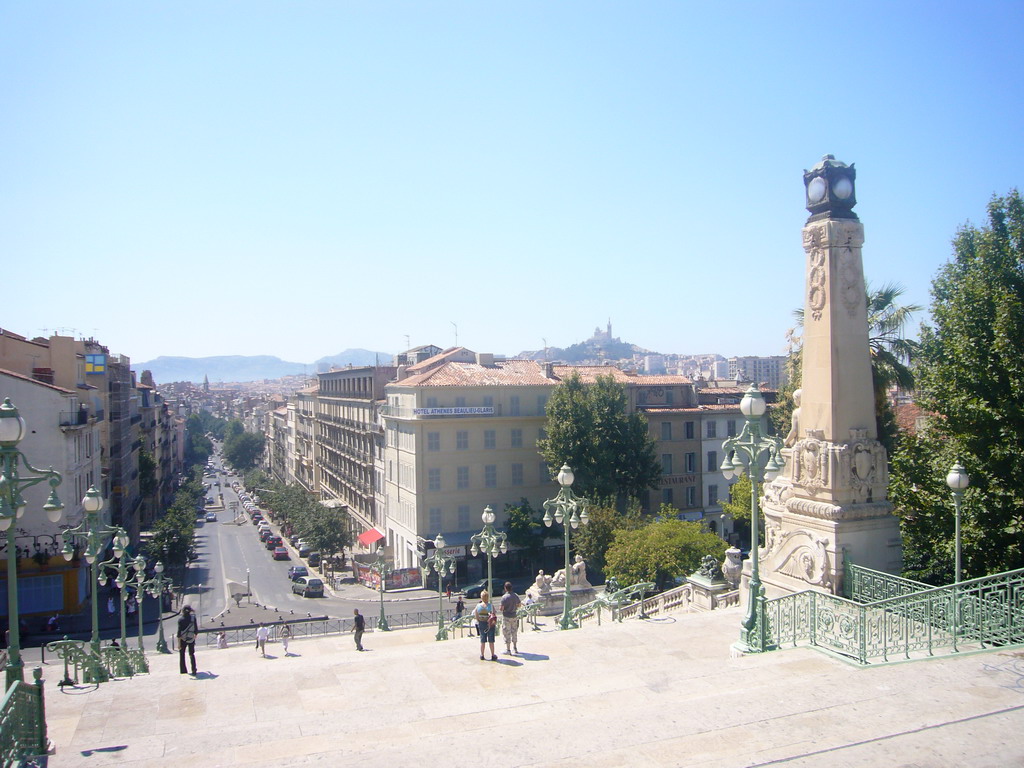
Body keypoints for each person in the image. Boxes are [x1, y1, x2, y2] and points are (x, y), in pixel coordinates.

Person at [474, 590, 497, 661]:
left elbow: (476, 615)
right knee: (491, 640)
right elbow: (494, 615)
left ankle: (482, 655)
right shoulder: (490, 606)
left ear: (481, 597)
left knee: (482, 640)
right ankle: (493, 655)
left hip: (481, 623)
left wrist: (479, 621)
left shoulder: (478, 606)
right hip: (490, 624)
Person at [500, 581, 522, 655]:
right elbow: (519, 605)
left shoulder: (504, 597)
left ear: (505, 588)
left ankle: (508, 649)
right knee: (514, 632)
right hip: (514, 615)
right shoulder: (515, 595)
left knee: (507, 632)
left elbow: (501, 608)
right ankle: (515, 648)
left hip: (506, 616)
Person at [177, 605, 198, 675]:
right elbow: (196, 630)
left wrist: (179, 643)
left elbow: (179, 633)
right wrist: (194, 636)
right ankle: (194, 669)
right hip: (191, 638)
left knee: (182, 654)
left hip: (183, 639)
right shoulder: (193, 618)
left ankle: (183, 670)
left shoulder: (180, 620)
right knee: (192, 654)